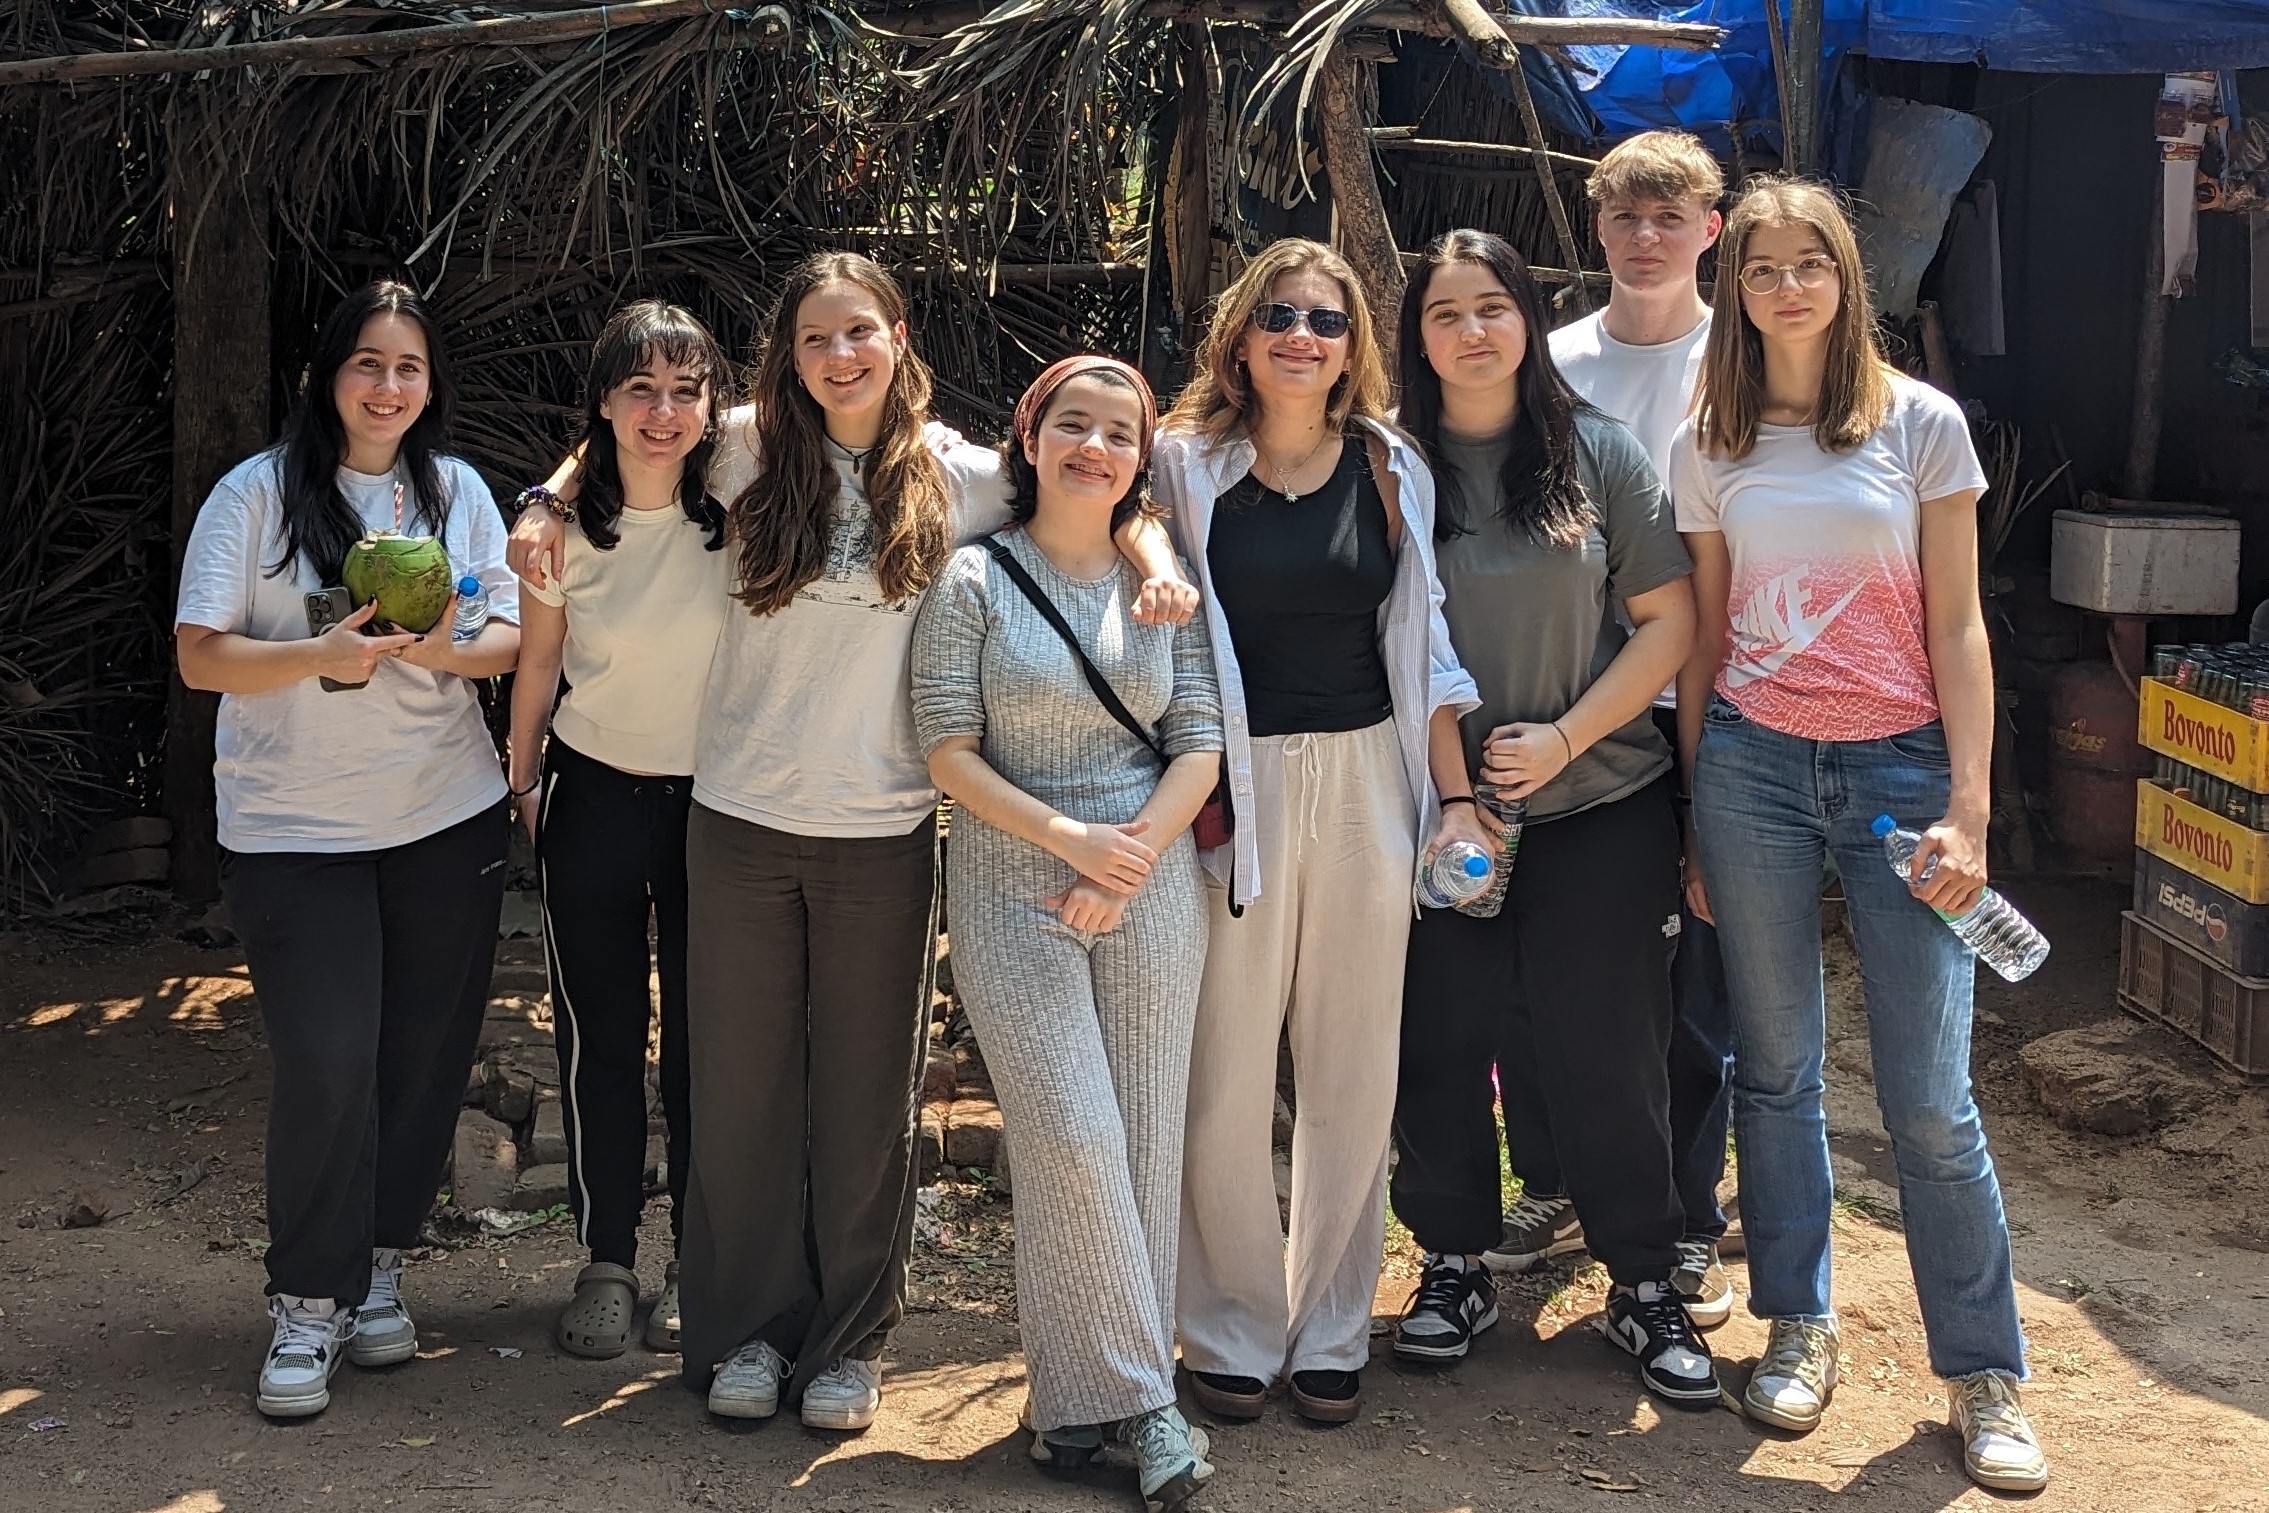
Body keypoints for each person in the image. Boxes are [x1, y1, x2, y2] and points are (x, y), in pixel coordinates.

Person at [506, 252, 1193, 1433]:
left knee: (866, 1096)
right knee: (739, 1092)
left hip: (880, 830)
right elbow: (617, 434)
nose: (838, 357)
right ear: (790, 352)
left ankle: (849, 1341)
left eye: (857, 333)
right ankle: (745, 1333)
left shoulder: (957, 473)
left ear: (896, 336)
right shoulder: (741, 444)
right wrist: (539, 500)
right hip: (737, 822)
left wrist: (1158, 561)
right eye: (815, 338)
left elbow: (1093, 494)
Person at [1671, 178, 2048, 1493]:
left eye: (1807, 265)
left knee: (1930, 1096)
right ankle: (1798, 1322)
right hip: (1753, 773)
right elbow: (1708, 642)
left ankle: (1983, 1371)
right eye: (1761, 266)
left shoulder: (1921, 426)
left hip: (1901, 777)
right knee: (1774, 1074)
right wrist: (1695, 816)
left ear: (1844, 280)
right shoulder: (1707, 441)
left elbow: (1959, 626)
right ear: (1738, 288)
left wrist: (1971, 805)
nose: (1784, 286)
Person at [175, 281, 521, 1419]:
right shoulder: (257, 494)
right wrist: (319, 658)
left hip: (442, 813)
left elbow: (503, 636)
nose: (387, 386)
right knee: (328, 1059)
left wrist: (428, 653)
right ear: (330, 376)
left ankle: (377, 1267)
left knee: (423, 1059)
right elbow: (201, 656)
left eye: (409, 367)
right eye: (367, 364)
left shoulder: (454, 491)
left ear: (431, 386)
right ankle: (307, 1302)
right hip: (294, 829)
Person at [1151, 238, 1478, 1427]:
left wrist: (1454, 804)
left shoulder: (1392, 466)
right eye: (1279, 315)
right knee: (1223, 1067)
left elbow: (1426, 644)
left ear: (1353, 349)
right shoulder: (1184, 466)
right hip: (1230, 792)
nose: (1302, 335)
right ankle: (1231, 1326)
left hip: (1365, 786)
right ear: (1240, 337)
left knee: (1353, 1064)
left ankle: (1334, 1323)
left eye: (1326, 321)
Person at [1384, 231, 1714, 1406]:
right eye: (1443, 314)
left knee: (1609, 1041)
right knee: (1437, 1037)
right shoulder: (1389, 468)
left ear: (1528, 320)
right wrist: (1459, 787)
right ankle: (1452, 1260)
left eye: (1492, 307)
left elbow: (1668, 626)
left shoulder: (1599, 455)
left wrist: (1568, 735)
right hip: (1432, 813)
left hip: (1596, 797)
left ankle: (1641, 1277)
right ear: (1414, 337)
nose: (1471, 332)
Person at [913, 356, 1224, 1511]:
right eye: (1072, 425)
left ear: (1141, 457)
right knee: (1073, 1141)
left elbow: (1199, 733)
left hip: (1147, 884)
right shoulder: (974, 580)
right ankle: (1148, 1404)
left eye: (1118, 433)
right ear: (1030, 435)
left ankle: (1066, 1409)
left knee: (1139, 1151)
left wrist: (1128, 852)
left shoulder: (1165, 583)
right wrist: (1069, 843)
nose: (1094, 447)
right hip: (1010, 883)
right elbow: (947, 748)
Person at [1511, 129, 1735, 1327]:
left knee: (1692, 969)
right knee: (1551, 962)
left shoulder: (1742, 360)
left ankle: (1687, 1210)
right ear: (1594, 229)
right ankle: (1552, 1183)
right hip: (1563, 702)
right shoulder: (1548, 365)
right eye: (1624, 218)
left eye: (1670, 218)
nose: (1645, 239)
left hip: (1703, 696)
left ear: (1710, 230)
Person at [506, 301, 731, 1361]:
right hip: (590, 796)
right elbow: (539, 662)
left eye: (686, 389)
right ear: (602, 402)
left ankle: (698, 1259)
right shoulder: (560, 531)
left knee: (705, 1043)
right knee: (598, 1039)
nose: (663, 410)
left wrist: (543, 483)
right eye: (639, 388)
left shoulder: (740, 498)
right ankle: (606, 1259)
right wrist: (522, 782)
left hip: (716, 808)